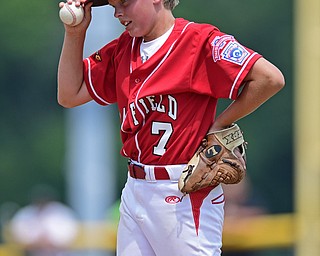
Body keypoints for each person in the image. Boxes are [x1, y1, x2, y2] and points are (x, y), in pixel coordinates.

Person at [57, 0, 285, 255]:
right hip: (135, 189)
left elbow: (270, 78)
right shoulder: (124, 49)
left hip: (184, 192)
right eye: (112, 5)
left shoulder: (199, 41)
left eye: (124, 2)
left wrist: (221, 123)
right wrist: (75, 33)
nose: (117, 12)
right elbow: (69, 94)